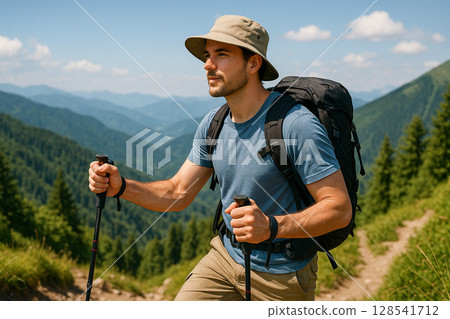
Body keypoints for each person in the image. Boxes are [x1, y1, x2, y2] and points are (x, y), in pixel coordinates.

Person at [88, 15, 351, 301]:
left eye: (221, 55)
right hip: (224, 259)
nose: (207, 65)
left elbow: (339, 209)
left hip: (283, 275)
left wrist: (272, 227)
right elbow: (178, 192)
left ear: (253, 64)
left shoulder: (295, 125)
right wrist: (121, 187)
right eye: (207, 55)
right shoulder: (214, 123)